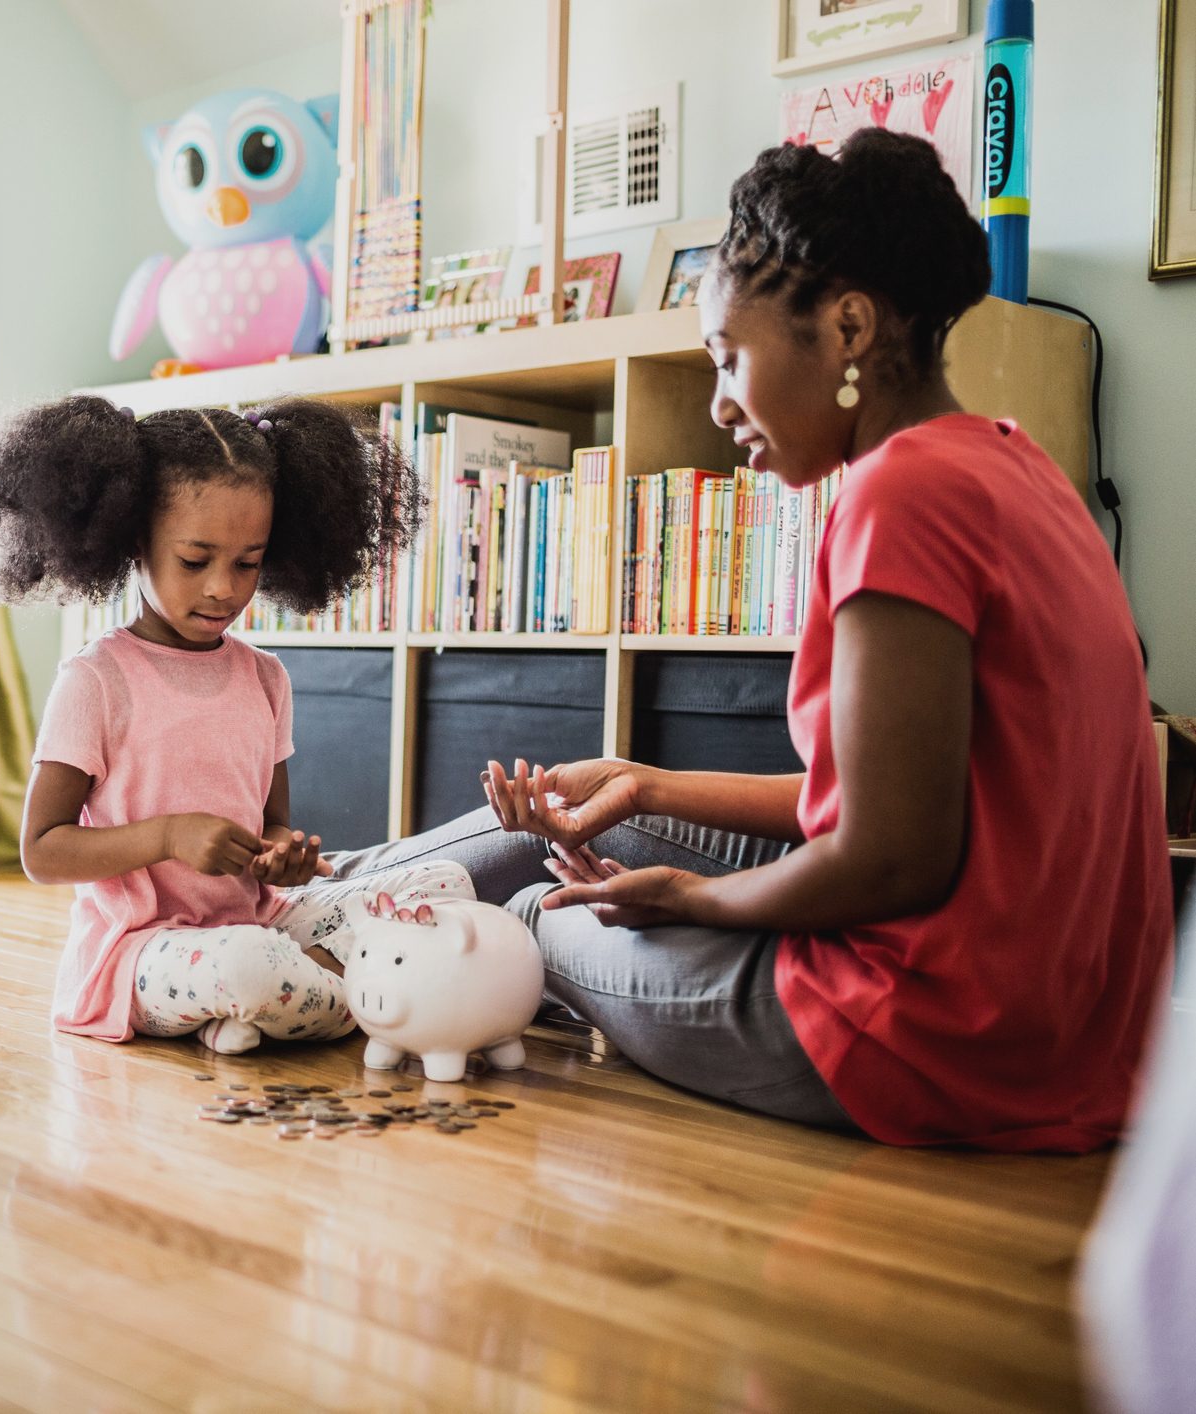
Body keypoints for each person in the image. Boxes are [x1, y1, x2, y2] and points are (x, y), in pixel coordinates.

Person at [332, 131, 1173, 1150]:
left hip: (934, 1037)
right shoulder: (1018, 469)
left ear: (849, 325)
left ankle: (324, 922)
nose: (721, 402)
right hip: (1075, 1031)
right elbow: (905, 803)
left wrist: (693, 897)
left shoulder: (902, 496)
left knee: (550, 917)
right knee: (571, 817)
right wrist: (646, 784)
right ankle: (328, 894)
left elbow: (892, 860)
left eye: (730, 358)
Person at [0, 395, 470, 1053]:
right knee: (250, 967)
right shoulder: (95, 680)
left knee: (447, 884)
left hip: (261, 920)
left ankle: (292, 1004)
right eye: (195, 561)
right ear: (130, 540)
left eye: (246, 562)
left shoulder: (264, 678)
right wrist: (168, 836)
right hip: (143, 953)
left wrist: (282, 856)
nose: (223, 588)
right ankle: (380, 1000)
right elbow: (42, 851)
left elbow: (271, 822)